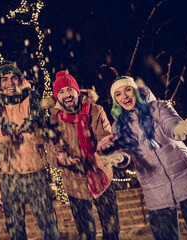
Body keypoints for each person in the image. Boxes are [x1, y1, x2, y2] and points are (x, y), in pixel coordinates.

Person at [99, 76, 187, 240]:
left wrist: (177, 128)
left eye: (128, 90)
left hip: (184, 177)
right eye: (118, 94)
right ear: (115, 100)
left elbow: (169, 121)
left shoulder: (158, 107)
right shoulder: (119, 126)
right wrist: (119, 157)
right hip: (153, 185)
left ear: (135, 91)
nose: (124, 96)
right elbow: (127, 150)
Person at [44, 70, 127, 240]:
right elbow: (52, 153)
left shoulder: (95, 111)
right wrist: (65, 159)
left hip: (102, 174)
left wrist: (103, 151)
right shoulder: (53, 121)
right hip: (75, 182)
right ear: (57, 97)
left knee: (111, 230)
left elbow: (105, 136)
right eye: (61, 91)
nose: (66, 94)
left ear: (77, 91)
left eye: (69, 90)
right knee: (86, 233)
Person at [0, 61, 60, 240]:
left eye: (14, 78)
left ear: (20, 80)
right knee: (15, 228)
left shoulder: (32, 98)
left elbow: (44, 134)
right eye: (4, 79)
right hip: (9, 174)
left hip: (35, 172)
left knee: (48, 224)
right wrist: (4, 132)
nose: (10, 83)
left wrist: (32, 127)